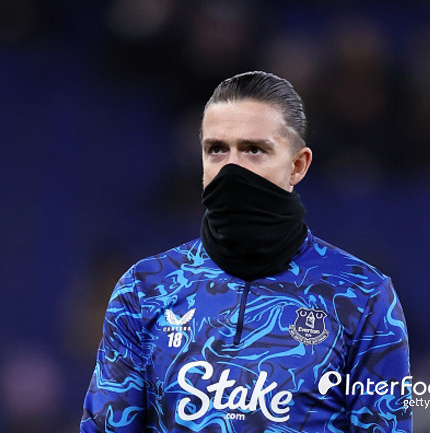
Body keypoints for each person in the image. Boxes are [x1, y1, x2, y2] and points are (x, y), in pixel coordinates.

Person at [80, 71, 412, 432]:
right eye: (216, 149)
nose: (232, 168)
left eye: (254, 150)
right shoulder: (145, 288)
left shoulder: (362, 295)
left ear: (297, 165)